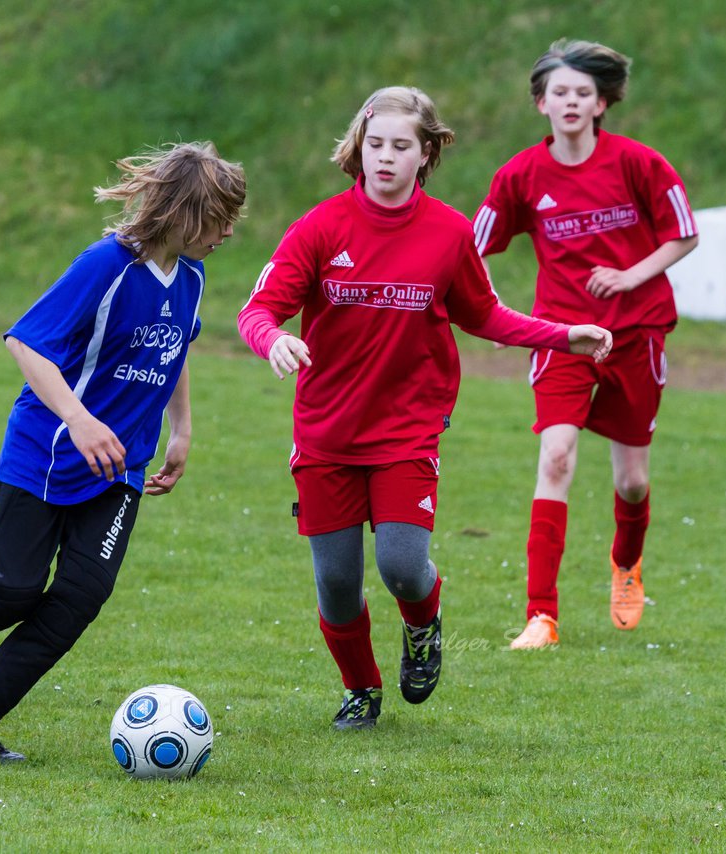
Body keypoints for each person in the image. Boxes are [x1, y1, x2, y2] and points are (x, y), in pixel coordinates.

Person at [238, 86, 612, 728]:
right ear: (360, 146)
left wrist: (563, 334)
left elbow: (484, 315)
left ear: (427, 152)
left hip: (407, 431)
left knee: (404, 568)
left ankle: (423, 627)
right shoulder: (321, 227)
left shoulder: (448, 233)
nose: (384, 157)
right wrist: (274, 339)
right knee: (335, 584)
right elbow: (258, 308)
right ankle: (362, 689)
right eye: (375, 143)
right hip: (326, 432)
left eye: (400, 146)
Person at [0, 141, 246, 762]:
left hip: (119, 470)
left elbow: (174, 346)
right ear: (185, 214)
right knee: (11, 593)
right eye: (220, 218)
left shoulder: (191, 272)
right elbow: (26, 342)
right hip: (45, 454)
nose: (229, 232)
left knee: (79, 598)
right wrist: (79, 419)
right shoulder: (106, 264)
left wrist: (181, 427)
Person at [472, 39, 698, 650]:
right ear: (542, 103)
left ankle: (626, 564)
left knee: (631, 482)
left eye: (582, 92)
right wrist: (487, 312)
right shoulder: (520, 175)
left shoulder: (640, 164)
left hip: (636, 330)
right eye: (559, 92)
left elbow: (685, 234)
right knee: (558, 457)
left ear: (601, 102)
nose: (570, 102)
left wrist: (630, 275)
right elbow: (469, 249)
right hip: (563, 335)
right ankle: (541, 616)